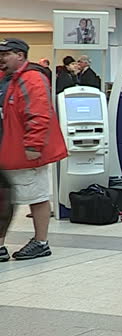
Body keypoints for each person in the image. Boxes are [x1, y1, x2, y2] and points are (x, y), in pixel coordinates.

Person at [0, 39, 68, 261]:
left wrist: (33, 145)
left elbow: (39, 114)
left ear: (20, 55)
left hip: (26, 151)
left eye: (6, 54)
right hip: (9, 149)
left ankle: (41, 242)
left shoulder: (31, 79)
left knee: (36, 196)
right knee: (6, 197)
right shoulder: (9, 79)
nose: (1, 58)